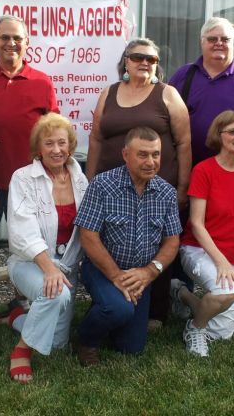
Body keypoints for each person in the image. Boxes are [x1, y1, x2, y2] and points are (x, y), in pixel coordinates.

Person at [86, 38, 191, 327]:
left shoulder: (167, 94)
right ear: (125, 61)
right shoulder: (108, 93)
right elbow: (96, 139)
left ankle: (154, 311)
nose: (144, 62)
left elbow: (184, 142)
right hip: (111, 188)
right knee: (110, 244)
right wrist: (89, 181)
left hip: (156, 188)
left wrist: (182, 187)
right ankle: (110, 298)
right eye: (137, 57)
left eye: (151, 59)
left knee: (152, 245)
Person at [168, 17, 234, 306]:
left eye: (225, 39)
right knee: (184, 232)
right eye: (212, 39)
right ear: (202, 42)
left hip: (233, 175)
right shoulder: (184, 76)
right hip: (189, 172)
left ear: (233, 43)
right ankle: (180, 293)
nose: (219, 44)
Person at [0, 15, 59, 300]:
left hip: (29, 184)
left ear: (27, 43)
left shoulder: (42, 82)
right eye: (4, 37)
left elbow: (53, 132)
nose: (11, 43)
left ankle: (24, 306)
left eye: (17, 38)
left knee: (30, 248)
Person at [74, 127, 181, 365]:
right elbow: (88, 236)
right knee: (119, 309)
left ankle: (108, 311)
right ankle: (86, 340)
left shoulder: (166, 193)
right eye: (142, 154)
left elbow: (172, 241)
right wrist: (116, 277)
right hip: (101, 270)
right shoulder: (102, 185)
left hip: (140, 277)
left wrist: (149, 272)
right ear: (125, 154)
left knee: (131, 348)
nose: (150, 162)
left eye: (156, 154)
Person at [172, 111, 234, 357]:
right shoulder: (204, 170)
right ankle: (195, 328)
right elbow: (196, 223)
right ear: (218, 135)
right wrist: (221, 261)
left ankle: (181, 293)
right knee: (226, 294)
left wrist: (231, 254)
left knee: (222, 333)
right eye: (233, 131)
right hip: (199, 249)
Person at [5, 114, 88, 383]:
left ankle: (18, 317)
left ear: (70, 146)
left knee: (56, 344)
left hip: (66, 267)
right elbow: (22, 231)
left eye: (62, 143)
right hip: (30, 263)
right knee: (55, 294)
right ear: (38, 148)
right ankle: (21, 351)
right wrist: (50, 269)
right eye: (49, 143)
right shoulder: (23, 178)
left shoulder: (80, 179)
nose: (56, 149)